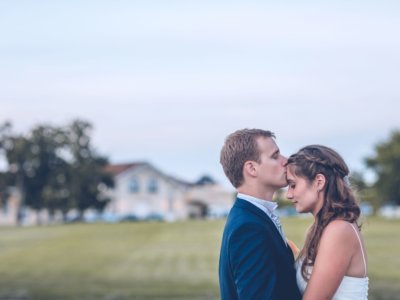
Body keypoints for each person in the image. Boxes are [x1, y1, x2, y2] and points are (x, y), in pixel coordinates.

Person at [218, 128, 301, 300]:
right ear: (252, 168)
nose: (286, 161)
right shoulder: (248, 228)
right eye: (275, 156)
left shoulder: (252, 216)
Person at [286, 145, 369, 300]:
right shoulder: (318, 229)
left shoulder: (339, 230)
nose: (288, 195)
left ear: (319, 181)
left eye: (293, 185)